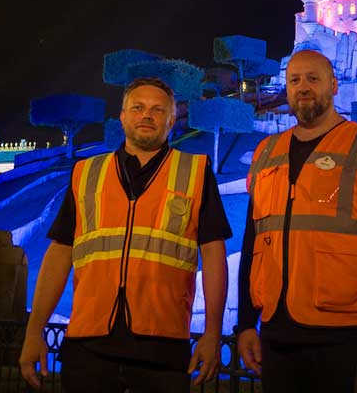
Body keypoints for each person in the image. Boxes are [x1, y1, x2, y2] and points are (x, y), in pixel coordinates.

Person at [19, 77, 232, 392]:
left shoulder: (196, 171)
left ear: (172, 120)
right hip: (89, 344)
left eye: (157, 110)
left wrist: (212, 332)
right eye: (138, 108)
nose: (147, 115)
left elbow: (215, 256)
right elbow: (59, 254)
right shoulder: (86, 173)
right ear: (123, 116)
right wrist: (34, 331)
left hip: (162, 346)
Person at [237, 50, 357, 393]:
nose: (302, 87)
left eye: (313, 78)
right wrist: (246, 323)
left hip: (349, 339)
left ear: (334, 86)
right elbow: (255, 243)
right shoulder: (265, 153)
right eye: (294, 80)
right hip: (277, 337)